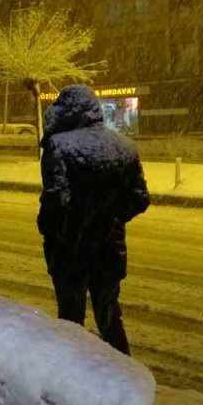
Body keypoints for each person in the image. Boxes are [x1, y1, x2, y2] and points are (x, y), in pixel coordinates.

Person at [38, 84, 149, 355]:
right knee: (110, 318)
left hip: (70, 249)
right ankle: (123, 377)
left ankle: (74, 381)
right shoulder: (124, 147)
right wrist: (108, 217)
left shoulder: (59, 147)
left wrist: (55, 227)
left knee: (71, 320)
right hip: (109, 248)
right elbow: (140, 198)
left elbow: (56, 200)